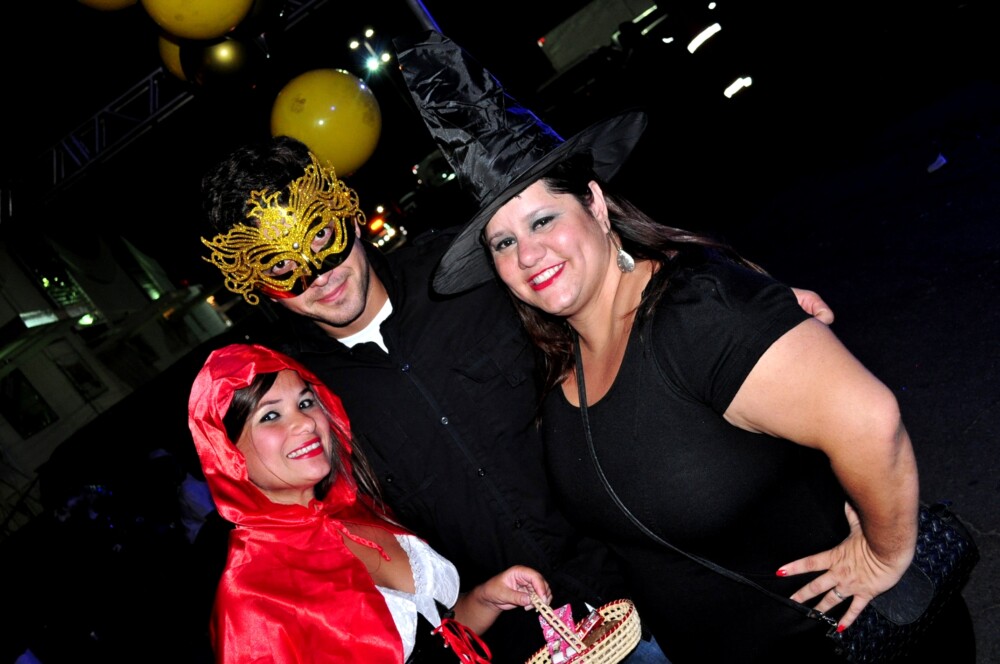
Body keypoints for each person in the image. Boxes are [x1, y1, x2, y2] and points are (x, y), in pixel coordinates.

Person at [393, 30, 977, 663]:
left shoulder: (696, 314)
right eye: (504, 242)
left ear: (595, 204)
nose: (529, 254)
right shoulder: (563, 355)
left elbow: (871, 420)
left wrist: (884, 554)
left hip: (851, 646)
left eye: (543, 219)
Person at [198, 107, 830, 663]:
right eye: (281, 267)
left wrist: (740, 296)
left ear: (349, 215)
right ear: (259, 285)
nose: (318, 274)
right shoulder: (303, 393)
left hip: (664, 580)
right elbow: (294, 519)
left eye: (321, 238)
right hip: (536, 641)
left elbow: (602, 277)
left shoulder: (468, 272)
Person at [186, 342, 552, 663]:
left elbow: (432, 638)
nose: (306, 424)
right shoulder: (251, 594)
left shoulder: (357, 510)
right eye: (270, 415)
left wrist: (487, 599)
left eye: (306, 402)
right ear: (226, 451)